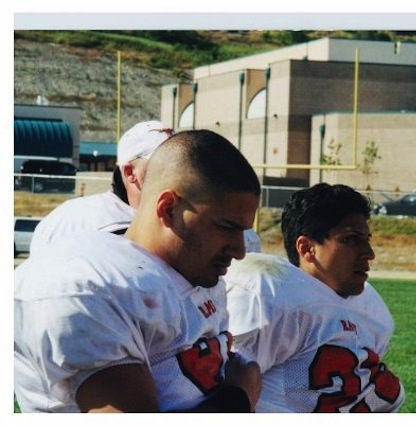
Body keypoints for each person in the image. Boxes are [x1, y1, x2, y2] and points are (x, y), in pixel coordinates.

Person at [14, 129, 263, 413]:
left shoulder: (196, 267)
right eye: (227, 228)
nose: (240, 250)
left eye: (243, 231)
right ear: (169, 209)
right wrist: (239, 396)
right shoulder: (86, 284)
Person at [225, 183, 405, 412]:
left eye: (366, 239)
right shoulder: (271, 293)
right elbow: (228, 389)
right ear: (307, 248)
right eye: (350, 239)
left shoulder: (372, 307)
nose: (369, 253)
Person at [30, 120, 174, 255]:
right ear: (130, 172)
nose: (176, 171)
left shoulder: (177, 218)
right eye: (163, 162)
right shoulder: (71, 219)